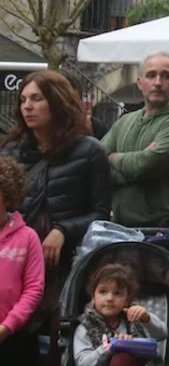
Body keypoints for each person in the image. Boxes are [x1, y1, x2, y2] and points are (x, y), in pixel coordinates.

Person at [4, 70, 111, 362]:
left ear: (57, 102)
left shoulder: (90, 151)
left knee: (59, 339)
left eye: (37, 99)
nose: (27, 106)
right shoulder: (11, 150)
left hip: (67, 264)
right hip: (17, 259)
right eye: (23, 99)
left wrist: (63, 229)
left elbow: (101, 214)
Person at [101, 53, 169, 227]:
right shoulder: (125, 121)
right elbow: (98, 163)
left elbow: (143, 166)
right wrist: (134, 164)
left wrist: (112, 158)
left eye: (166, 76)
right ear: (139, 83)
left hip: (161, 226)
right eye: (151, 75)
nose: (158, 82)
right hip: (120, 225)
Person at [72, 263, 168, 366]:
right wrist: (108, 347)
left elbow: (162, 334)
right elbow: (82, 363)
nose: (110, 298)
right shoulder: (85, 328)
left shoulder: (135, 318)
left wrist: (146, 318)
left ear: (127, 300)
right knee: (121, 358)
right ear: (93, 297)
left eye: (117, 293)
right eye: (103, 292)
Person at [0, 155, 44, 362]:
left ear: (7, 196)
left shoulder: (27, 237)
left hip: (14, 339)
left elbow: (34, 288)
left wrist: (7, 327)